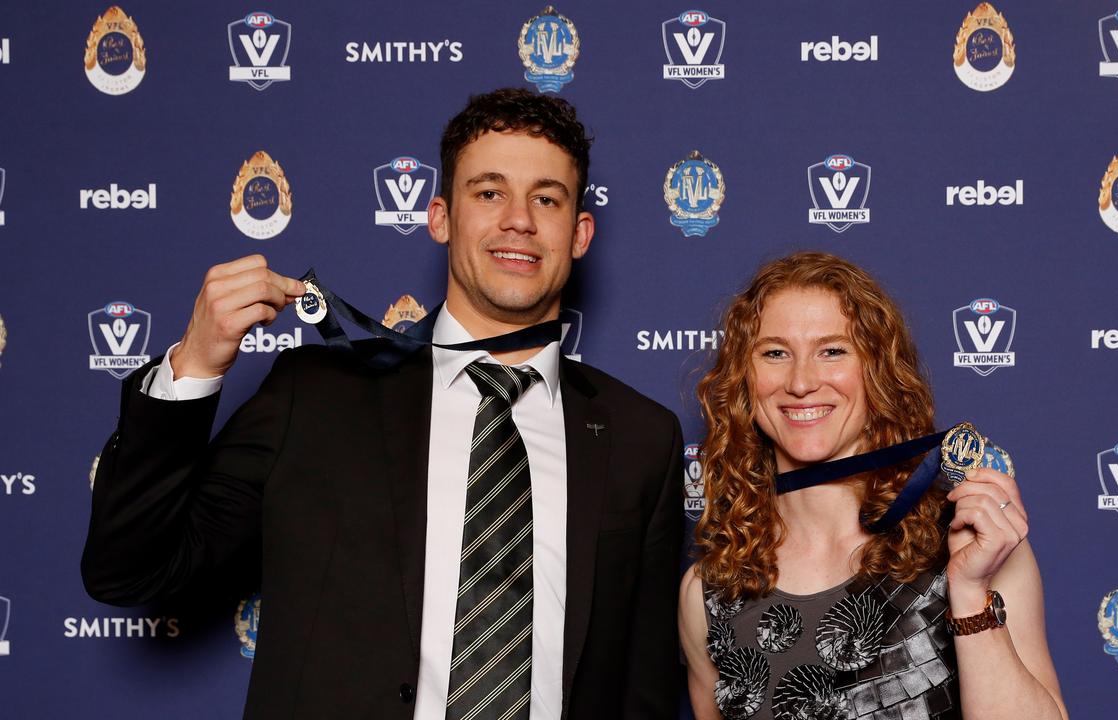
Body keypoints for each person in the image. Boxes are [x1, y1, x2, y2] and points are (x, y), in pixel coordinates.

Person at [82, 88, 683, 720]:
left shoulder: (641, 439)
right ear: (440, 218)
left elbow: (640, 691)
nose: (519, 220)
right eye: (488, 192)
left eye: (546, 198)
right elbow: (130, 570)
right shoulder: (315, 397)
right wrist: (196, 365)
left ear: (579, 232)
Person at [678, 252, 1067, 720]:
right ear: (743, 380)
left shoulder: (970, 541)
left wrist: (969, 593)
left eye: (832, 350)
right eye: (775, 353)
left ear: (877, 371)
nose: (801, 381)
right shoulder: (710, 591)